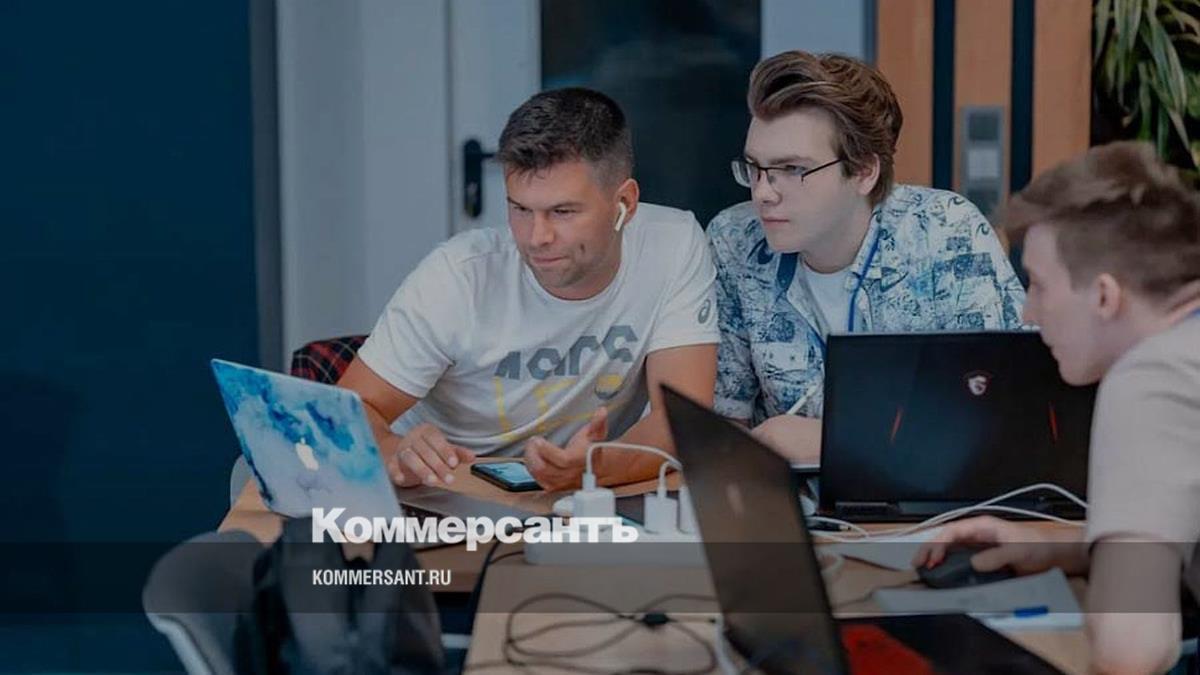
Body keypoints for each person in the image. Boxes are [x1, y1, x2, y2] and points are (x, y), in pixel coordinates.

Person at [337, 88, 719, 492]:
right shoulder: (458, 276)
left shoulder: (673, 244)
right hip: (447, 489)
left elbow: (682, 421)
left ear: (624, 201)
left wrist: (595, 467)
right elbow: (344, 418)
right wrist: (394, 451)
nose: (537, 237)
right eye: (520, 209)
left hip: (576, 497)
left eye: (562, 212)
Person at [914, 142, 1200, 674]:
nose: (1028, 311)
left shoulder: (1153, 376)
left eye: (1040, 286)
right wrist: (1063, 551)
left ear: (1105, 297)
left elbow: (1131, 652)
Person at [706, 50, 1025, 463]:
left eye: (793, 170)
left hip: (926, 496)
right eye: (755, 168)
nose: (763, 193)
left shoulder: (946, 233)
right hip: (785, 496)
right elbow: (722, 421)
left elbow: (999, 418)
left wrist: (827, 441)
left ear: (863, 172)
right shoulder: (734, 241)